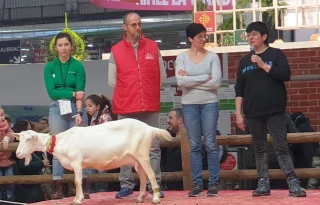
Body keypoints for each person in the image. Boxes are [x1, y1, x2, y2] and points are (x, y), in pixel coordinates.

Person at [234, 21, 306, 197]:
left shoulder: (275, 54)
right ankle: (263, 182)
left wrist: (263, 64)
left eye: (254, 34)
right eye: (248, 34)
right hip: (252, 111)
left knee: (281, 147)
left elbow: (285, 75)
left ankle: (293, 182)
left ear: (264, 37)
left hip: (274, 109)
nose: (251, 37)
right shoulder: (244, 61)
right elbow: (239, 89)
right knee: (259, 149)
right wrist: (238, 114)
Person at [108, 12, 167, 199]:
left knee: (153, 147)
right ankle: (126, 185)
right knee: (125, 148)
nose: (137, 28)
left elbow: (162, 76)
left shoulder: (152, 46)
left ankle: (153, 184)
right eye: (133, 25)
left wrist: (147, 92)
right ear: (125, 27)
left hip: (149, 104)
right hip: (126, 106)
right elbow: (112, 81)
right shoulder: (115, 50)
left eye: (139, 24)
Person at [175, 23, 222, 197]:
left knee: (210, 143)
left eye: (204, 36)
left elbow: (216, 82)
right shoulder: (181, 58)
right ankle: (197, 184)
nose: (203, 39)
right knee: (194, 145)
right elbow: (180, 82)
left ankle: (213, 183)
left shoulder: (212, 57)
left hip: (210, 103)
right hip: (189, 104)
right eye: (199, 37)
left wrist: (192, 80)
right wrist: (204, 78)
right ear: (190, 39)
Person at [44, 32, 87, 199]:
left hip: (75, 108)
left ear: (71, 46)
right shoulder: (49, 67)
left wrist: (77, 104)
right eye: (60, 45)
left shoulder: (78, 66)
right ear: (56, 47)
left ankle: (80, 186)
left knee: (79, 147)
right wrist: (72, 93)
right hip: (56, 108)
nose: (63, 48)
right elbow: (51, 92)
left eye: (66, 45)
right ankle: (58, 186)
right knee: (57, 147)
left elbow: (81, 92)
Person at [84, 94, 116, 193]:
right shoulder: (91, 118)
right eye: (86, 106)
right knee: (90, 176)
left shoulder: (105, 116)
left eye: (90, 106)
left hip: (103, 152)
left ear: (97, 107)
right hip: (92, 152)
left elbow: (108, 132)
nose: (87, 109)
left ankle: (102, 197)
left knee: (101, 179)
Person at [0, 106, 15, 202]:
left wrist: (7, 138)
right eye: (0, 115)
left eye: (3, 114)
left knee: (10, 177)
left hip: (7, 158)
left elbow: (11, 133)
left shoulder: (6, 126)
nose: (3, 117)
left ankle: (10, 196)